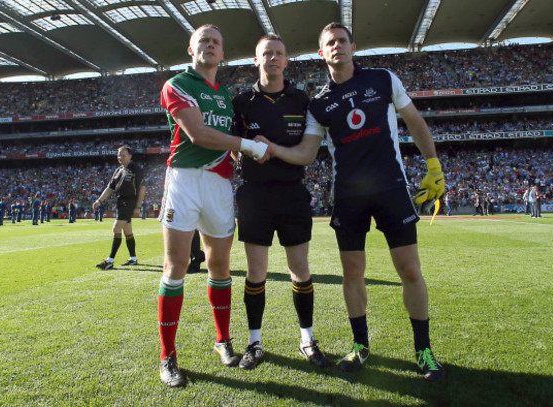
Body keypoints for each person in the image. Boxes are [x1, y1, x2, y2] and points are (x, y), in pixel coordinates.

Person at [256, 22, 445, 381]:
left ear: (353, 47)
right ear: (321, 53)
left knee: (409, 270)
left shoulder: (383, 79)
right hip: (349, 196)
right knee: (353, 274)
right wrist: (273, 148)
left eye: (342, 41)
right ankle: (361, 346)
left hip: (391, 189)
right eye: (330, 43)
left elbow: (415, 121)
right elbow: (308, 153)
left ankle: (424, 351)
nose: (337, 46)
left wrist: (433, 165)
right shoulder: (319, 104)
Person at [156, 24, 268, 388]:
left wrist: (244, 147)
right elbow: (198, 133)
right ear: (191, 49)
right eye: (203, 40)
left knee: (219, 265)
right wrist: (249, 147)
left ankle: (222, 340)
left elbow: (228, 138)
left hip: (219, 184)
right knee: (175, 267)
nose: (210, 45)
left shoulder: (226, 96)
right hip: (185, 179)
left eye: (216, 42)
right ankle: (167, 356)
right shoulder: (177, 84)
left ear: (223, 54)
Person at [231, 34, 330, 370]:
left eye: (278, 54)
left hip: (292, 193)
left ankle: (307, 339)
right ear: (256, 60)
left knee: (299, 270)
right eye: (266, 53)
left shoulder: (302, 100)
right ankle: (255, 343)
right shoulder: (241, 101)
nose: (272, 58)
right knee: (256, 271)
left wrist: (271, 149)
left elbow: (307, 154)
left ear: (286, 61)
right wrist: (248, 148)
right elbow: (232, 146)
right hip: (254, 195)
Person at [93, 146, 146, 270]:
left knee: (116, 228)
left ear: (130, 156)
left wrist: (138, 206)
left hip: (129, 202)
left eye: (123, 155)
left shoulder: (136, 169)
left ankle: (110, 260)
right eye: (118, 155)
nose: (120, 158)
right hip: (120, 202)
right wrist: (99, 200)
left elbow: (142, 188)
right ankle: (133, 258)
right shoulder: (118, 170)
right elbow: (110, 188)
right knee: (127, 231)